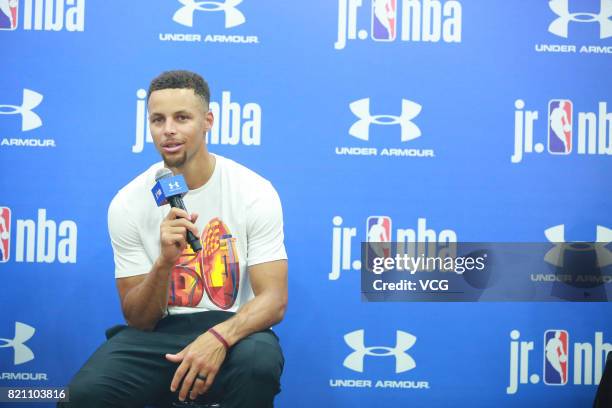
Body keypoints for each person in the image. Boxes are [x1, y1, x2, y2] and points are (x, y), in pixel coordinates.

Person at [60, 70, 288, 408]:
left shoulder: (253, 190)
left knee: (259, 363)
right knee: (81, 396)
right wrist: (165, 262)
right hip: (159, 334)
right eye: (157, 119)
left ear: (207, 121)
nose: (168, 130)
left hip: (234, 328)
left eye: (182, 118)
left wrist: (217, 338)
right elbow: (138, 318)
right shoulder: (128, 201)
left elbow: (274, 300)